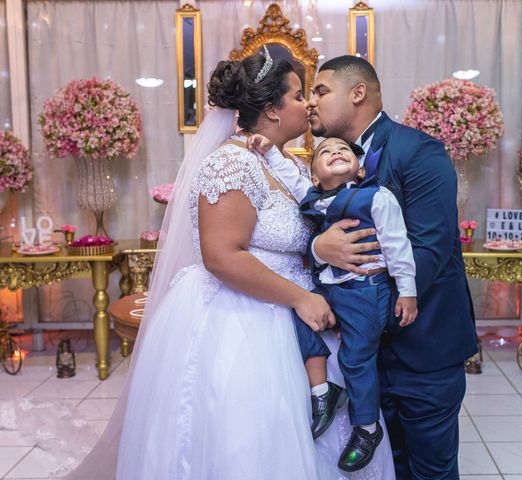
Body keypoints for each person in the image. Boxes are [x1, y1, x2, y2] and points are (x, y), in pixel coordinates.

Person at [64, 48, 395, 480]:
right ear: (274, 111)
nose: (307, 104)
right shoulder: (231, 162)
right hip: (244, 318)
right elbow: (221, 256)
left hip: (294, 315)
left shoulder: (278, 162)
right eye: (298, 96)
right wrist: (301, 298)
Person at [307, 55, 478, 479]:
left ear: (358, 92)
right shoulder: (323, 164)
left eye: (321, 90)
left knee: (431, 470)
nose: (311, 102)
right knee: (387, 469)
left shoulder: (419, 151)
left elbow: (429, 251)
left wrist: (359, 310)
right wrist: (318, 249)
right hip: (365, 356)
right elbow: (308, 238)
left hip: (424, 348)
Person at [248, 134, 417, 472]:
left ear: (357, 170)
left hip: (366, 292)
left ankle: (367, 429)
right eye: (326, 151)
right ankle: (324, 390)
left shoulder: (376, 198)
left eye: (344, 151)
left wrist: (407, 291)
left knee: (356, 359)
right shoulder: (315, 199)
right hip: (328, 287)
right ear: (316, 177)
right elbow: (293, 179)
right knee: (297, 311)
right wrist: (268, 151)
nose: (337, 151)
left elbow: (399, 246)